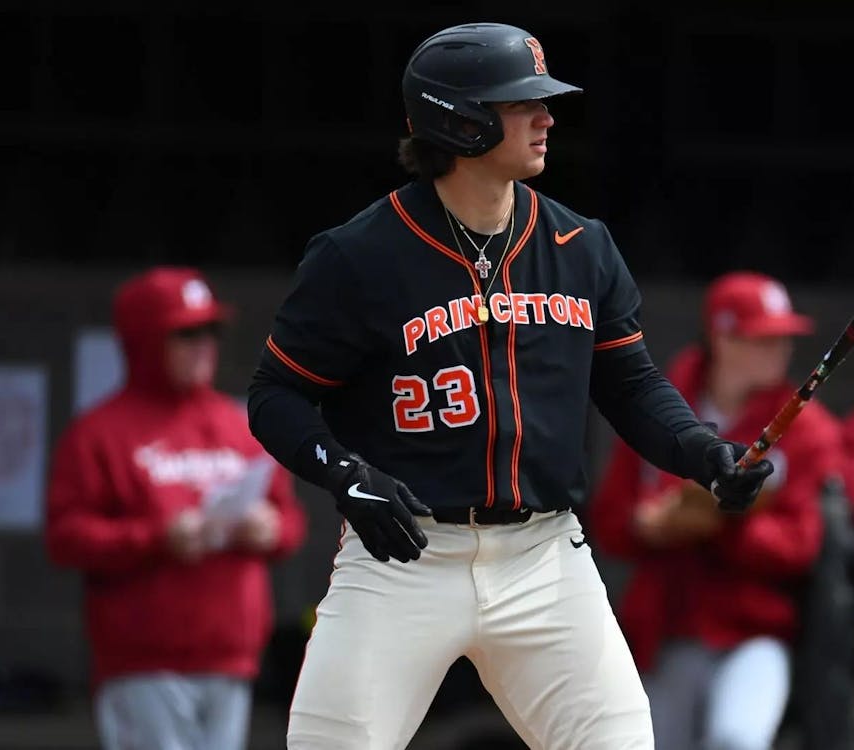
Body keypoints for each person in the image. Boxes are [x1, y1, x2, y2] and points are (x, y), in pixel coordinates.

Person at [246, 21, 773, 750]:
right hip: (404, 561)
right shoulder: (358, 256)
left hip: (545, 558)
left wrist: (702, 453)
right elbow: (275, 394)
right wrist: (346, 475)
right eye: (523, 102)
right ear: (457, 121)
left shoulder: (580, 245)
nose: (547, 117)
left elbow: (631, 385)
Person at [45, 265, 307, 750]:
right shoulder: (99, 432)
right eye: (186, 333)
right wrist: (159, 537)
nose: (203, 344)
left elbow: (290, 522)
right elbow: (66, 537)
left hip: (231, 653)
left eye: (210, 330)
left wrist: (270, 530)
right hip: (144, 659)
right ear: (146, 341)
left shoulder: (237, 424)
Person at [589, 270, 846, 750]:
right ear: (722, 337)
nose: (780, 351)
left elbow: (803, 547)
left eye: (784, 339)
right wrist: (652, 525)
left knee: (737, 740)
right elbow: (608, 522)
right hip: (666, 629)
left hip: (756, 632)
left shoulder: (808, 428)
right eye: (763, 339)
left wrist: (722, 524)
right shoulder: (664, 410)